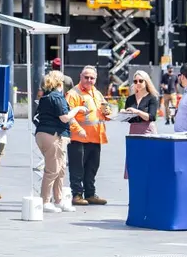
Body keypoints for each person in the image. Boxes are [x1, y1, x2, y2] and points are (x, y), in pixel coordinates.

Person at [35, 71, 86, 213]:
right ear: (59, 83)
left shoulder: (46, 97)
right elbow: (65, 117)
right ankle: (45, 201)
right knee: (53, 170)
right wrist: (79, 108)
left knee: (60, 169)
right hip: (53, 135)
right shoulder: (57, 97)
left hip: (46, 134)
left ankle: (58, 200)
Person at [66, 66, 112, 206]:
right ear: (80, 76)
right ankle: (77, 194)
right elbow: (69, 116)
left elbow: (104, 114)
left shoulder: (97, 94)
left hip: (95, 137)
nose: (89, 80)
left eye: (92, 78)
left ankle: (90, 194)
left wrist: (108, 112)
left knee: (92, 168)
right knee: (77, 168)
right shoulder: (73, 93)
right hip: (78, 138)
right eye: (86, 77)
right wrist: (78, 130)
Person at [122, 70, 159, 180]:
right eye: (135, 81)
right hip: (133, 131)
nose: (138, 83)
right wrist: (124, 114)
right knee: (134, 162)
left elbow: (152, 117)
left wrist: (137, 111)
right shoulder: (130, 99)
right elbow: (129, 120)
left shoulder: (152, 97)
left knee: (148, 161)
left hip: (147, 131)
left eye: (141, 81)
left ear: (146, 81)